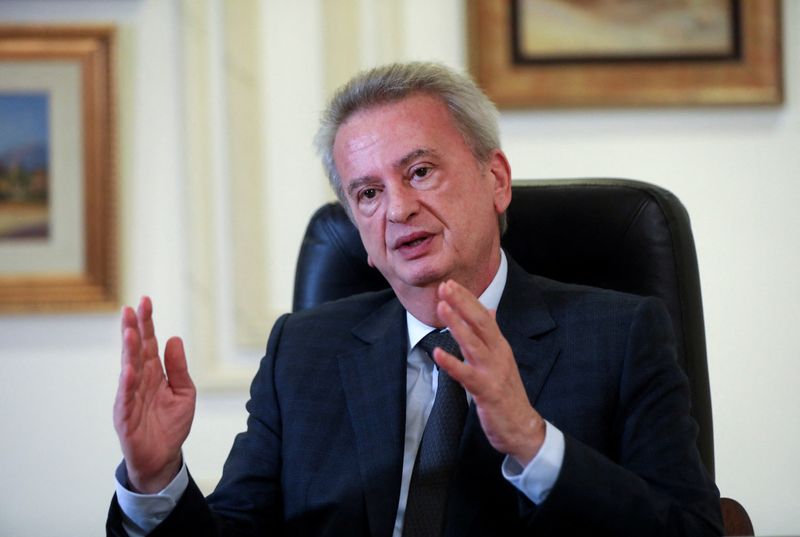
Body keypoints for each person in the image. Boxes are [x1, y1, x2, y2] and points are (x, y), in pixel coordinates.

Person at [107, 62, 723, 536]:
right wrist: (155, 478)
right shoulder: (304, 352)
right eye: (368, 193)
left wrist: (535, 442)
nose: (398, 209)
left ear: (497, 180)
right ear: (357, 230)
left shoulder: (619, 336)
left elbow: (691, 531)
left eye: (421, 171)